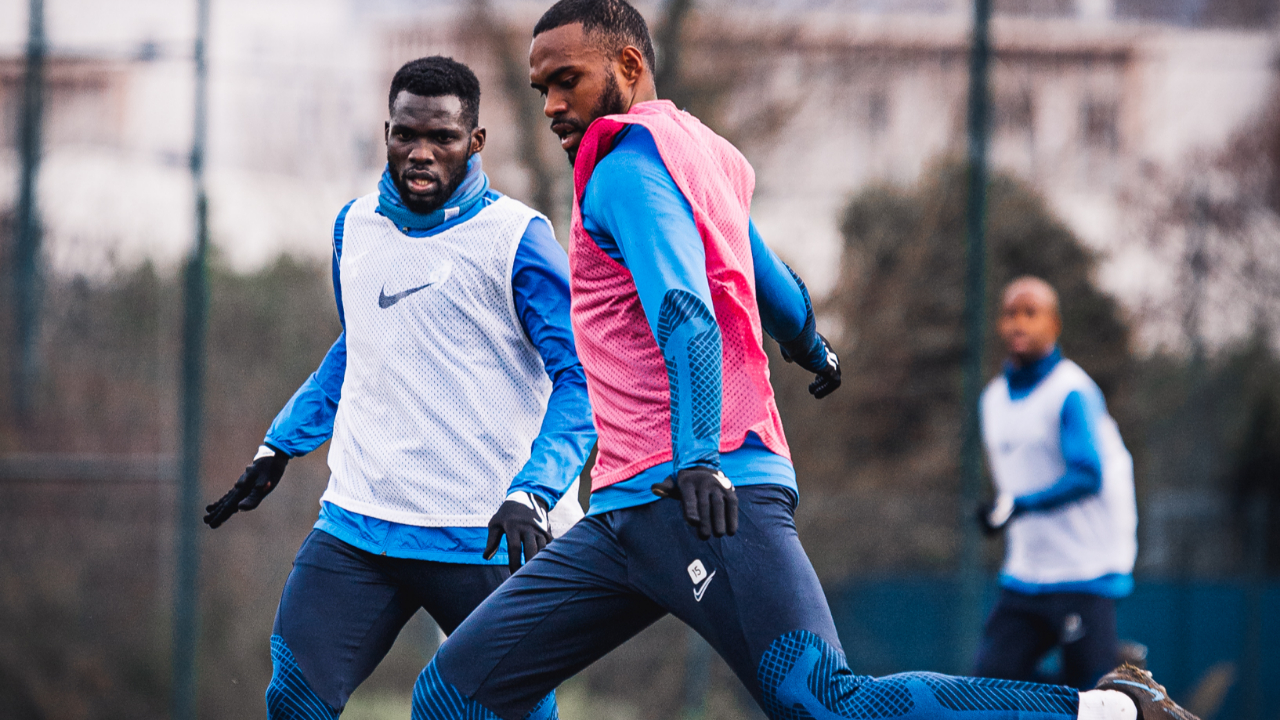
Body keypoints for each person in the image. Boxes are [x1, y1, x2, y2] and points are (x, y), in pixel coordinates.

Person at [406, 3, 1197, 720]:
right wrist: (809, 343)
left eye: (567, 81)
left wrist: (698, 457)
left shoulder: (621, 166)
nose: (550, 105)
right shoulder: (698, 155)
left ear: (628, 66)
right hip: (626, 515)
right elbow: (767, 278)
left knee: (822, 700)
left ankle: (1109, 711)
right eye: (541, 87)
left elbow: (687, 308)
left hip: (703, 493)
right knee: (453, 691)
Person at [202, 56, 594, 719]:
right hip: (360, 526)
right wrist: (281, 443)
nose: (419, 152)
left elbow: (581, 380)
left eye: (441, 137)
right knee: (293, 699)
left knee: (478, 711)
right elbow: (363, 346)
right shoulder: (352, 228)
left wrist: (536, 488)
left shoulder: (517, 241)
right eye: (405, 134)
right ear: (386, 131)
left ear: (475, 143)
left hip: (485, 534)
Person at [973, 277, 1138, 690]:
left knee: (1094, 700)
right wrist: (1001, 510)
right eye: (1010, 313)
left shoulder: (1071, 392)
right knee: (988, 686)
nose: (1019, 324)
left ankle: (1121, 675)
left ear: (1055, 325)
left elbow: (1088, 474)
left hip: (1084, 571)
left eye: (1031, 313)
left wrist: (1020, 505)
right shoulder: (992, 399)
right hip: (1026, 575)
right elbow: (1018, 481)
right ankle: (1113, 668)